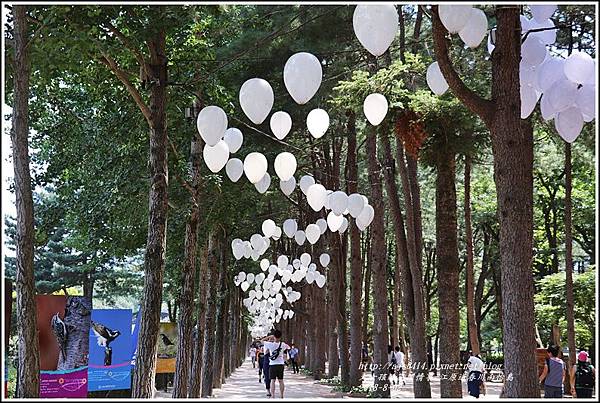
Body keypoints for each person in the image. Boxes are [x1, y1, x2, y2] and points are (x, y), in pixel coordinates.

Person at [261, 329, 290, 399]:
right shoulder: (283, 344)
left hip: (272, 365)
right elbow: (288, 347)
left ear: (274, 336)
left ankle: (273, 395)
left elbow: (261, 341)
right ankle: (282, 395)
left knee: (273, 380)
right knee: (281, 380)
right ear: (280, 337)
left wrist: (268, 337)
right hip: (280, 364)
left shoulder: (270, 344)